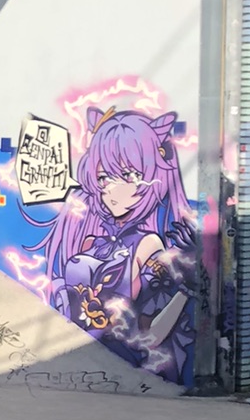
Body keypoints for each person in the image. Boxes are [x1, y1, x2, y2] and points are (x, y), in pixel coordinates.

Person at [39, 106, 196, 384]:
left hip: (124, 365)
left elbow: (151, 335)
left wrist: (186, 288)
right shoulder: (90, 235)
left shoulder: (148, 245)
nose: (109, 188)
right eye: (103, 177)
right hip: (82, 360)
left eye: (126, 175)